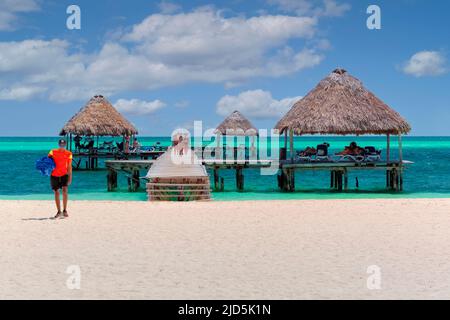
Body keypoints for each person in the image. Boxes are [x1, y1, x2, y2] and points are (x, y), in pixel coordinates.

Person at [48, 139, 73, 219]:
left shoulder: (69, 153)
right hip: (54, 174)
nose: (62, 145)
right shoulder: (52, 151)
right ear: (59, 144)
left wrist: (70, 177)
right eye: (61, 144)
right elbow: (47, 162)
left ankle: (65, 210)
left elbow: (69, 166)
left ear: (65, 144)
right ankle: (59, 211)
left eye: (63, 144)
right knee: (56, 192)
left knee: (65, 191)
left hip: (64, 174)